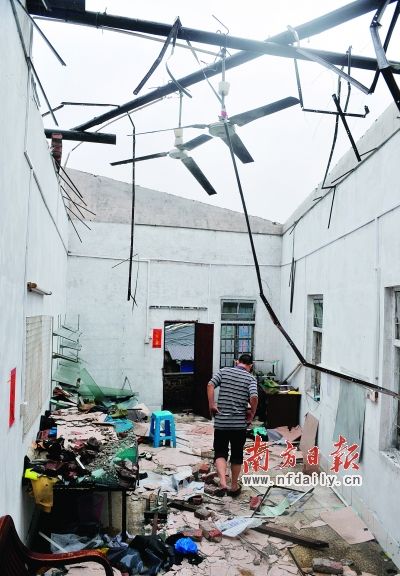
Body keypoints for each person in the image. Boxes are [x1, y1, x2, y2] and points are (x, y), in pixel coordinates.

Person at [207, 353, 258, 496]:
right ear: (251, 366)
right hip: (239, 425)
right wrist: (252, 413)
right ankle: (234, 486)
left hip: (222, 423)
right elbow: (254, 397)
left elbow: (210, 384)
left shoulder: (224, 371)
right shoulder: (250, 378)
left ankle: (223, 481)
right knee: (237, 455)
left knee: (220, 452)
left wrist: (212, 404)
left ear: (237, 362)